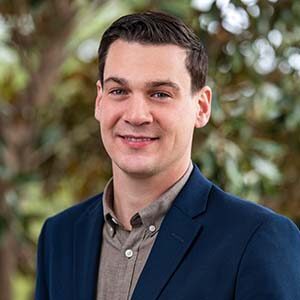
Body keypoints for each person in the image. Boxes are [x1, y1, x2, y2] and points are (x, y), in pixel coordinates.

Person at [35, 11, 300, 300]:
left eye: (160, 94)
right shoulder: (59, 236)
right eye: (119, 90)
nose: (136, 115)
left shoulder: (257, 239)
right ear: (99, 101)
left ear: (202, 107)